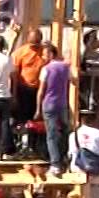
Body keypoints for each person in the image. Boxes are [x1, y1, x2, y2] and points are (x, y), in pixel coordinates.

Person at [35, 43, 71, 175]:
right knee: (65, 131)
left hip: (49, 104)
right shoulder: (65, 67)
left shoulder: (46, 69)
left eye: (44, 54)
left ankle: (55, 164)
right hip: (62, 104)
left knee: (51, 135)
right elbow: (70, 79)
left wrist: (38, 108)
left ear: (51, 54)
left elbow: (41, 90)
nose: (43, 57)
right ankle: (64, 157)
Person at [12, 29, 45, 124]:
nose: (34, 47)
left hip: (39, 89)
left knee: (36, 118)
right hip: (23, 89)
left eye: (36, 43)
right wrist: (14, 94)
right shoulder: (20, 52)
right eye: (32, 44)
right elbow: (14, 74)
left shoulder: (44, 51)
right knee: (23, 117)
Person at [68, 110, 99, 175]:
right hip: (94, 168)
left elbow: (70, 154)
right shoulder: (98, 133)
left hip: (77, 168)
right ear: (93, 120)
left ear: (80, 121)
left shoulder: (73, 135)